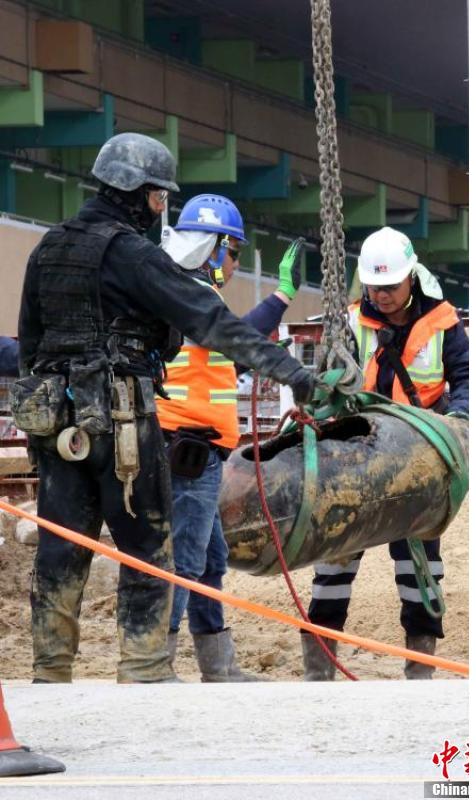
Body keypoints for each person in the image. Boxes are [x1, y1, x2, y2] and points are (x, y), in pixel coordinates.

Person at [15, 132, 314, 684]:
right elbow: (212, 321)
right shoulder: (132, 253)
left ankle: (49, 674)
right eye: (159, 198)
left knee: (61, 547)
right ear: (139, 193)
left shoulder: (49, 248)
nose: (161, 209)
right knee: (148, 547)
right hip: (124, 426)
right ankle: (146, 671)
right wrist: (294, 374)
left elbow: (29, 344)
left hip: (58, 428)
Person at [302, 226, 469, 680]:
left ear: (411, 279)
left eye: (390, 286)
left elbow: (468, 377)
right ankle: (319, 670)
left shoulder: (442, 322)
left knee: (420, 568)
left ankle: (420, 668)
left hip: (419, 460)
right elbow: (323, 382)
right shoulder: (348, 323)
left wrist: (459, 417)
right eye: (373, 286)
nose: (380, 295)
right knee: (335, 561)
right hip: (356, 455)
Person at [156, 194, 303, 681]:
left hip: (204, 454)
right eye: (234, 252)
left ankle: (217, 665)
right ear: (214, 247)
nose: (237, 264)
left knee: (211, 557)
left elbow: (231, 354)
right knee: (186, 558)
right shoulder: (186, 291)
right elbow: (236, 337)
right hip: (186, 449)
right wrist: (280, 299)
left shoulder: (192, 292)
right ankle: (156, 665)